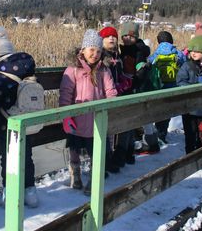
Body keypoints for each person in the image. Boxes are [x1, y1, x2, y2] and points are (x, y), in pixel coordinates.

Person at [0, 26, 40, 207]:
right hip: (27, 124)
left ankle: (10, 194)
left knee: (8, 160)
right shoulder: (28, 73)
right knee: (27, 157)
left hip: (5, 126)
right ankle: (30, 192)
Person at [59, 29, 117, 195]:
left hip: (96, 121)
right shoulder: (73, 69)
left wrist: (111, 105)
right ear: (83, 50)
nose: (95, 54)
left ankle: (94, 179)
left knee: (96, 152)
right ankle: (75, 175)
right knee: (74, 149)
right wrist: (66, 115)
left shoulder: (103, 70)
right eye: (92, 50)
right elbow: (65, 94)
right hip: (77, 120)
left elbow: (111, 91)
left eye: (98, 51)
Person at [113, 22, 150, 166]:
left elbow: (141, 72)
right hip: (126, 87)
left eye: (131, 36)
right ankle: (128, 152)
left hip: (132, 89)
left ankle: (123, 153)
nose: (128, 38)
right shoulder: (124, 50)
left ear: (136, 37)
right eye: (125, 36)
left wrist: (133, 84)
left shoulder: (138, 51)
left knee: (127, 122)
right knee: (128, 123)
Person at [99, 26, 130, 173]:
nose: (111, 38)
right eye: (107, 36)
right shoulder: (101, 57)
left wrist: (124, 81)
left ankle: (111, 157)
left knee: (113, 129)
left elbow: (120, 73)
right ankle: (104, 160)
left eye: (114, 36)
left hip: (116, 95)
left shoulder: (117, 56)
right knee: (105, 130)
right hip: (104, 97)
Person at [146, 30, 185, 144]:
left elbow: (149, 65)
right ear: (171, 40)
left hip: (159, 86)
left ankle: (156, 132)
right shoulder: (178, 53)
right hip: (173, 86)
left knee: (159, 110)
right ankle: (162, 134)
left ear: (158, 42)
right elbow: (185, 64)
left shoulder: (156, 53)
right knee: (167, 111)